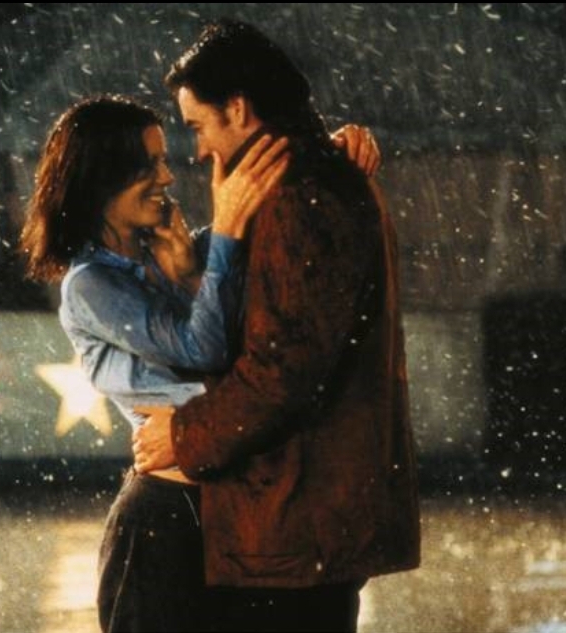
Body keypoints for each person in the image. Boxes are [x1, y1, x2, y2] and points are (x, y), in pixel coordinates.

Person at [20, 95, 378, 632]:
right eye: (148, 165)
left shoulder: (172, 250)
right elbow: (203, 349)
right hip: (167, 512)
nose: (167, 177)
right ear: (100, 179)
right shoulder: (91, 286)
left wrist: (329, 154)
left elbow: (262, 213)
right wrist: (223, 235)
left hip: (242, 506)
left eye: (163, 160)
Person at [132, 19, 420, 633]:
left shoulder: (300, 198)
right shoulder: (316, 181)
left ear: (238, 108)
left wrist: (182, 436)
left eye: (198, 126)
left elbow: (285, 371)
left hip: (293, 527)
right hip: (302, 523)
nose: (198, 151)